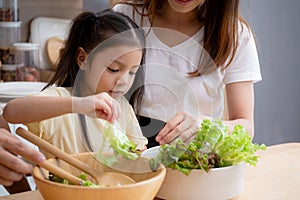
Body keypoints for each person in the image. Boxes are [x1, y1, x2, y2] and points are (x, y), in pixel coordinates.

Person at [113, 0, 262, 147]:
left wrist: (204, 126)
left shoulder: (233, 34)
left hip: (196, 158)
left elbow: (245, 127)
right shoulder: (126, 16)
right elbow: (95, 89)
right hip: (131, 154)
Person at [3, 9, 147, 158]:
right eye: (114, 69)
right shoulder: (61, 100)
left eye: (132, 72)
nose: (123, 81)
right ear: (83, 59)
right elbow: (11, 112)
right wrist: (77, 105)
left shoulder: (122, 107)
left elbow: (139, 156)